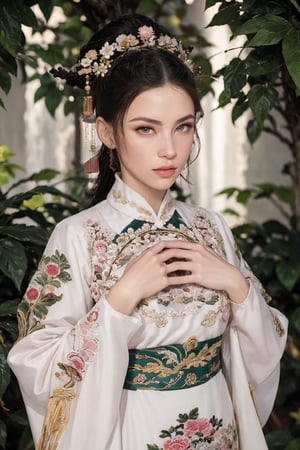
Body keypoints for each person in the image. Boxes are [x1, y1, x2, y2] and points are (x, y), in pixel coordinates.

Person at [8, 13, 288, 450]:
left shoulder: (209, 227)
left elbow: (266, 344)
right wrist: (119, 301)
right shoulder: (77, 235)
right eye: (145, 129)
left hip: (219, 428)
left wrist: (236, 285)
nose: (170, 149)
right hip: (130, 430)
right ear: (107, 132)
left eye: (184, 126)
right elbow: (35, 362)